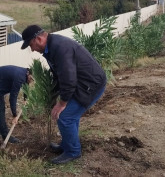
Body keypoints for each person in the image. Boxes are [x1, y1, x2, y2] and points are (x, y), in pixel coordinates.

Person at [21, 25, 106, 164]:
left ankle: (73, 152)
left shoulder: (60, 48)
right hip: (81, 83)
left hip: (91, 85)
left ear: (39, 39)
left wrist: (62, 103)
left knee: (65, 117)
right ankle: (67, 145)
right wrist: (54, 96)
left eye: (31, 45)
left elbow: (68, 78)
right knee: (69, 115)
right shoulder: (51, 47)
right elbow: (58, 74)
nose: (32, 49)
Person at [0, 65, 33, 143]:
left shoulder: (24, 73)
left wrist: (25, 99)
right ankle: (5, 135)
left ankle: (0, 129)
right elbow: (13, 97)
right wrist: (15, 115)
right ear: (29, 74)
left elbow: (26, 85)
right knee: (0, 108)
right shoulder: (20, 77)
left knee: (0, 108)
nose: (31, 81)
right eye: (31, 79)